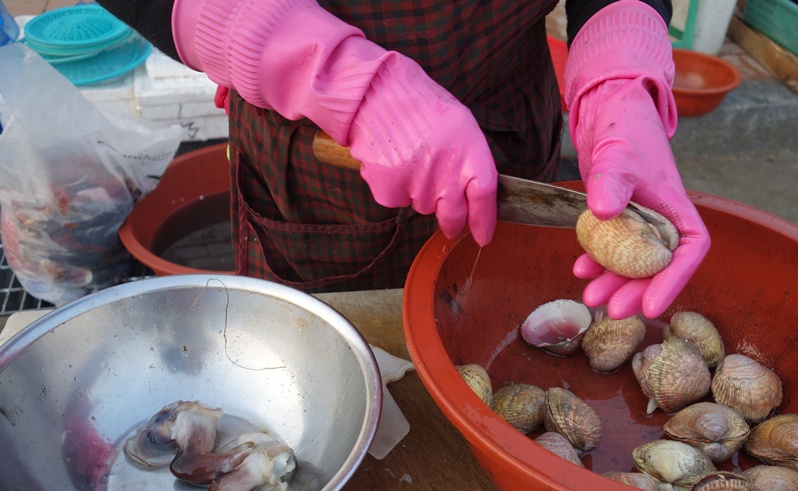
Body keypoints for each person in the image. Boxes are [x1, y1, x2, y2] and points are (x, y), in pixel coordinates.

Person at [97, 0, 709, 319]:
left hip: (510, 125)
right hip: (320, 162)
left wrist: (620, 68)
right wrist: (338, 80)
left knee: (502, 336)